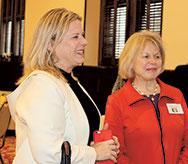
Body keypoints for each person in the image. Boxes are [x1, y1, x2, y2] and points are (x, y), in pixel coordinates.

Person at [7, 8, 119, 164]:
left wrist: (101, 144)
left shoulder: (69, 81)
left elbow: (73, 135)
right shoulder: (42, 86)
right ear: (50, 44)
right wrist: (94, 152)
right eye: (75, 37)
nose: (84, 42)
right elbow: (48, 153)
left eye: (83, 35)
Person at [104, 30, 188, 164]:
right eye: (146, 56)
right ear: (131, 61)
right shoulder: (117, 101)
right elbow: (116, 152)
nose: (153, 61)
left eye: (157, 56)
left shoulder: (175, 95)